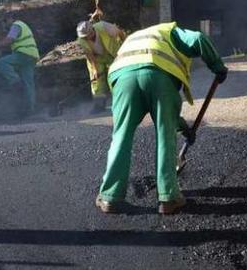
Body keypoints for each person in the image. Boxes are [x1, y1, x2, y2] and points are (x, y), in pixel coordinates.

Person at [95, 22, 228, 215]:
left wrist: (185, 129)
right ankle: (168, 197)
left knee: (121, 136)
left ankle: (110, 197)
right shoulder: (171, 31)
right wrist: (218, 66)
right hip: (158, 75)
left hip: (123, 78)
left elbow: (172, 116)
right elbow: (199, 39)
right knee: (164, 135)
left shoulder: (135, 38)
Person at [76, 20, 126, 114]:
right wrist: (95, 70)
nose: (86, 38)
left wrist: (126, 46)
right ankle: (99, 105)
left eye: (87, 36)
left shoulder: (104, 27)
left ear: (92, 31)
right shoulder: (81, 40)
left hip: (113, 54)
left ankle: (121, 103)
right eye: (84, 37)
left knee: (116, 77)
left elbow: (120, 32)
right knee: (97, 82)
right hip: (96, 58)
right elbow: (89, 55)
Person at [0, 16, 40, 114]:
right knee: (28, 84)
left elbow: (10, 39)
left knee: (3, 62)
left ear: (10, 18)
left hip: (23, 53)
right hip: (32, 55)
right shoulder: (22, 25)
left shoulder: (16, 25)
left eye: (4, 21)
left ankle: (15, 81)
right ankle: (30, 110)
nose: (4, 24)